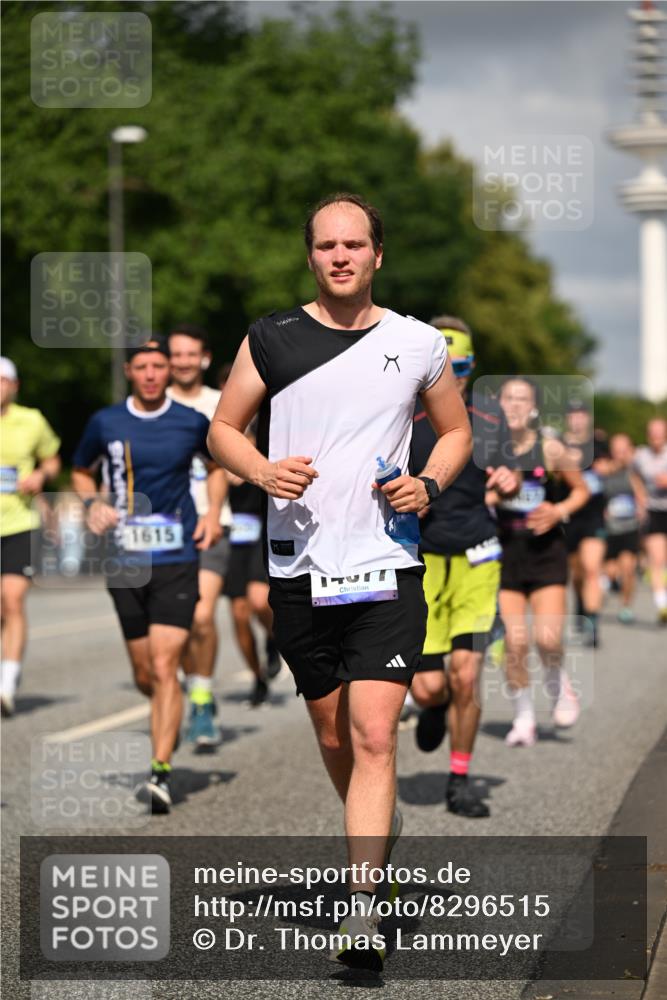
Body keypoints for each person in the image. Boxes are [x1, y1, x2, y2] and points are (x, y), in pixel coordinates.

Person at [207, 193, 471, 971]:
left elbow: (454, 430)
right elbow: (223, 428)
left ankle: (362, 913)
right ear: (311, 255)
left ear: (377, 254)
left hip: (385, 563)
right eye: (326, 246)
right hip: (298, 566)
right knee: (331, 734)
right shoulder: (272, 337)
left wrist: (427, 483)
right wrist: (259, 468)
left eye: (354, 244)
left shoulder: (419, 344)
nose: (340, 257)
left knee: (370, 734)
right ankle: (375, 845)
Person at [72, 336, 225, 813]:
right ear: (131, 373)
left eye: (160, 366)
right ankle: (167, 704)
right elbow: (80, 470)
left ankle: (160, 771)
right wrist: (93, 502)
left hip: (177, 555)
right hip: (125, 560)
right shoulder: (107, 422)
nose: (154, 374)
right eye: (143, 367)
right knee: (146, 673)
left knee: (164, 666)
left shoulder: (191, 421)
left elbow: (217, 465)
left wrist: (212, 513)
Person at [409, 317, 520, 818]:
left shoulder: (490, 424)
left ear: (471, 370)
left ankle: (459, 780)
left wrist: (510, 480)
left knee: (466, 674)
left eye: (458, 368)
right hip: (424, 561)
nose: (450, 377)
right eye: (442, 366)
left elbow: (514, 474)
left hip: (478, 558)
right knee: (431, 686)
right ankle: (431, 708)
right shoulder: (403, 421)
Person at [493, 377, 589, 747]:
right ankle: (524, 718)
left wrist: (557, 510)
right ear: (498, 406)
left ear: (533, 407)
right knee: (515, 643)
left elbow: (581, 490)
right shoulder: (486, 450)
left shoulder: (550, 449)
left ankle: (558, 682)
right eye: (508, 399)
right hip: (505, 555)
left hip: (546, 552)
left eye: (522, 399)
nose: (515, 405)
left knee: (547, 638)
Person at [167, 324, 231, 749]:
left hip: (212, 523)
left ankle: (203, 698)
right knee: (178, 626)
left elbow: (231, 455)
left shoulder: (219, 404)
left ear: (204, 358)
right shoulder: (154, 404)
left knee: (202, 616)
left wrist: (212, 511)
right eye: (177, 355)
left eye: (191, 354)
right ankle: (189, 689)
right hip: (164, 529)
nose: (184, 362)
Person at [0, 357, 61, 716]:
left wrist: (41, 476)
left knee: (12, 600)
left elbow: (52, 459)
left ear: (14, 386)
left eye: (2, 380)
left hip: (20, 522)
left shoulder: (32, 420)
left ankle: (7, 683)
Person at [224, 423, 279, 707]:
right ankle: (257, 677)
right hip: (231, 539)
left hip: (260, 534)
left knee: (260, 601)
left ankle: (273, 639)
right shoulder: (216, 444)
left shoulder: (265, 445)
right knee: (238, 614)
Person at [560, 403, 609, 647]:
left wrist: (604, 467)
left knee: (592, 568)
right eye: (573, 416)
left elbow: (612, 466)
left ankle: (593, 624)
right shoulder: (557, 444)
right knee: (576, 573)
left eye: (581, 416)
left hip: (593, 516)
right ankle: (581, 603)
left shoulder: (597, 443)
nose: (577, 420)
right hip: (568, 517)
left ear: (587, 419)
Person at [602, 433, 645, 624]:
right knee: (611, 571)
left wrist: (641, 510)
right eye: (616, 450)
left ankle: (626, 607)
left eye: (624, 450)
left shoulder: (634, 471)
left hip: (629, 527)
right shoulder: (604, 469)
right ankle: (609, 584)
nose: (620, 454)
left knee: (628, 568)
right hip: (608, 529)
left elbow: (642, 496)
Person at [633, 418, 667, 625]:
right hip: (654, 511)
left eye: (660, 433)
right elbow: (634, 477)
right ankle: (662, 604)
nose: (656, 437)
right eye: (652, 433)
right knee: (657, 558)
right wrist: (640, 497)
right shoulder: (640, 456)